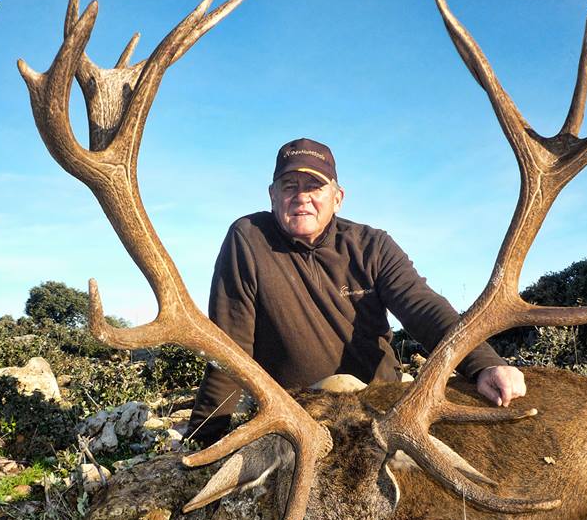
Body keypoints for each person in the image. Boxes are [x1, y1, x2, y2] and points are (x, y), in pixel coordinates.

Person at [186, 138, 526, 446]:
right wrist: (203, 439)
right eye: (289, 186)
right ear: (273, 196)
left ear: (338, 198)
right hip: (299, 418)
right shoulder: (248, 239)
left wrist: (484, 365)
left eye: (314, 186)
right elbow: (229, 350)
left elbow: (422, 308)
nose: (301, 196)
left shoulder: (372, 245)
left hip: (378, 410)